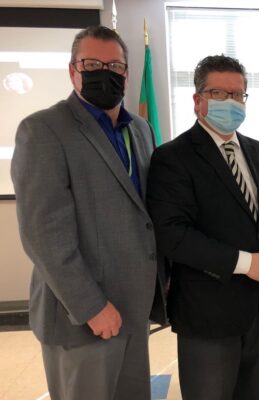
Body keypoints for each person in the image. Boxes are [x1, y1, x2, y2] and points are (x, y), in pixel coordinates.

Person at [11, 25, 167, 400]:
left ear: (127, 74)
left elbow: (142, 215)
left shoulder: (141, 130)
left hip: (133, 310)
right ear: (72, 71)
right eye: (93, 63)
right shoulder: (43, 130)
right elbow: (43, 234)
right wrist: (92, 306)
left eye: (115, 66)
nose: (106, 73)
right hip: (81, 316)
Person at [146, 54, 259, 400]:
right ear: (198, 101)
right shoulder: (172, 157)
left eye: (238, 95)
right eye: (219, 94)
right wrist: (247, 263)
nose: (231, 102)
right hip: (207, 316)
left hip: (257, 311)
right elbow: (172, 235)